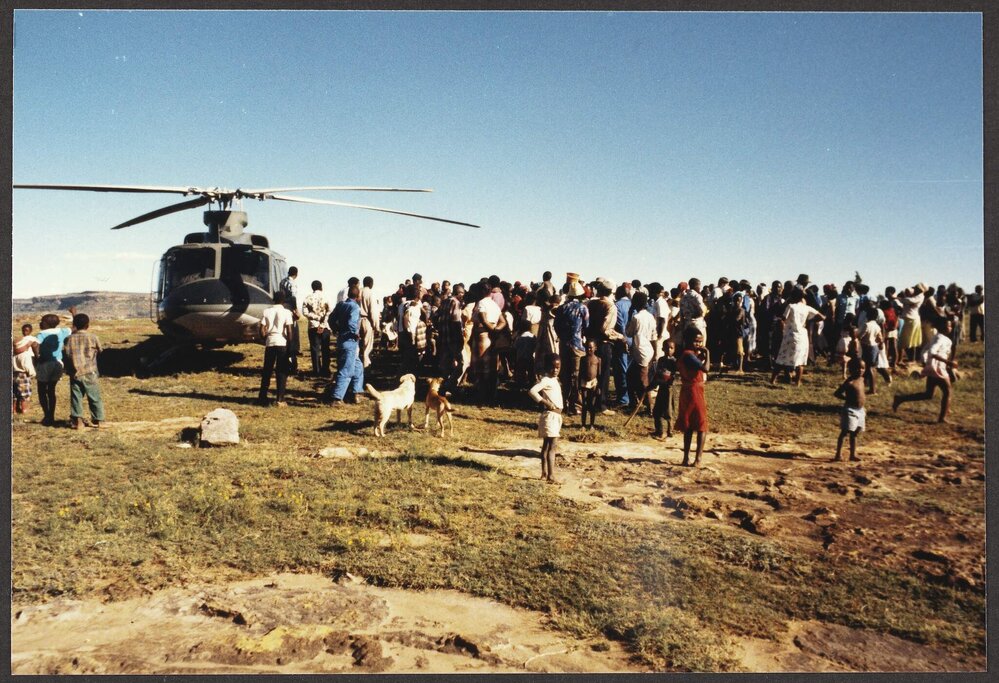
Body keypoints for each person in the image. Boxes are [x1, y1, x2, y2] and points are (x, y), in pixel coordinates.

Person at [893, 318, 956, 423]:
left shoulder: (938, 338)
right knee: (947, 392)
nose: (950, 328)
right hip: (937, 369)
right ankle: (942, 418)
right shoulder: (940, 338)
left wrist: (926, 362)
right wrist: (947, 362)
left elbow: (925, 350)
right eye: (948, 325)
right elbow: (931, 351)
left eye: (950, 326)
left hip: (933, 368)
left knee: (928, 394)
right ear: (941, 327)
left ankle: (900, 399)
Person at [771, 288, 824, 386]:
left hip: (790, 335)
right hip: (802, 336)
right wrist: (808, 320)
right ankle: (797, 382)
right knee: (800, 360)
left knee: (781, 358)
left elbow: (783, 319)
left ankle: (773, 380)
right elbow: (822, 317)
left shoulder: (791, 306)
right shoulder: (807, 308)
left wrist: (782, 328)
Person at [63, 313, 106, 429]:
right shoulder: (92, 337)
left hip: (74, 372)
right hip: (90, 371)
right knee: (94, 396)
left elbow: (66, 354)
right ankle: (99, 420)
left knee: (76, 397)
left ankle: (78, 421)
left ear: (74, 325)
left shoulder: (68, 339)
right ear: (87, 325)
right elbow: (100, 350)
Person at [675, 326, 709, 467]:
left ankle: (686, 458)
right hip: (694, 390)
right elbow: (706, 368)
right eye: (696, 341)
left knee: (688, 425)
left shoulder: (687, 354)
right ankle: (698, 459)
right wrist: (708, 353)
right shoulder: (689, 355)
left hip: (687, 390)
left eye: (700, 342)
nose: (699, 344)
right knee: (701, 425)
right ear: (688, 341)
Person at [528, 353, 563, 483]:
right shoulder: (546, 380)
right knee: (552, 447)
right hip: (550, 416)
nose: (555, 370)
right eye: (553, 367)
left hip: (555, 417)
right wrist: (545, 402)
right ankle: (550, 476)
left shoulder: (554, 380)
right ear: (547, 367)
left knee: (546, 446)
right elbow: (532, 391)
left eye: (558, 367)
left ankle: (544, 473)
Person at [328, 285, 365, 404]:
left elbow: (331, 318)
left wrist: (336, 329)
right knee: (346, 369)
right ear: (358, 296)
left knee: (358, 366)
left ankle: (356, 392)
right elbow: (352, 322)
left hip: (342, 339)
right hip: (350, 341)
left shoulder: (341, 305)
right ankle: (337, 398)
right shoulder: (355, 307)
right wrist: (355, 333)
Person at [35, 313, 73, 426]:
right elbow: (75, 326)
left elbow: (36, 347)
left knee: (41, 390)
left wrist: (37, 357)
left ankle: (47, 415)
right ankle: (51, 415)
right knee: (51, 391)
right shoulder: (62, 331)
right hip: (57, 364)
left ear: (46, 324)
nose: (40, 323)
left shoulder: (41, 334)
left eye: (42, 321)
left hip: (45, 363)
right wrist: (73, 314)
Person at [258, 291, 294, 406]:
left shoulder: (267, 311)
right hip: (281, 342)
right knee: (281, 371)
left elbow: (262, 329)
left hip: (270, 342)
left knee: (267, 370)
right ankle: (280, 398)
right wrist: (290, 345)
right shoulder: (286, 312)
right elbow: (289, 331)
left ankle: (262, 396)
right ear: (283, 300)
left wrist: (265, 338)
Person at [834, 357, 866, 462]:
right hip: (850, 410)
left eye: (863, 368)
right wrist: (847, 398)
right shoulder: (849, 382)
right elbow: (837, 393)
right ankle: (838, 454)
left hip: (860, 410)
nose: (861, 370)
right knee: (845, 432)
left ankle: (852, 454)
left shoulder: (861, 379)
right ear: (851, 369)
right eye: (858, 368)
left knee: (855, 433)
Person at [302, 280, 332, 377]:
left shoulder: (308, 298)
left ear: (312, 288)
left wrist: (315, 317)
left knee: (315, 349)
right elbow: (329, 311)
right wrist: (322, 323)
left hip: (313, 326)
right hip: (325, 326)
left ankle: (316, 371)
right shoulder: (326, 297)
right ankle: (325, 370)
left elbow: (305, 313)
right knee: (325, 349)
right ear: (321, 287)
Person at [651, 340, 678, 439]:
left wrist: (663, 377)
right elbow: (658, 374)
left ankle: (670, 431)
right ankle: (659, 431)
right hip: (661, 388)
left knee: (668, 411)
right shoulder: (661, 360)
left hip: (668, 388)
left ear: (674, 349)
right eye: (667, 348)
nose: (669, 350)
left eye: (671, 348)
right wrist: (652, 385)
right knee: (657, 411)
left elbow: (670, 375)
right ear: (663, 349)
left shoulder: (674, 361)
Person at [12, 323, 38, 415]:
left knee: (14, 392)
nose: (24, 332)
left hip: (14, 373)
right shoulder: (26, 354)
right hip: (23, 374)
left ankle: (13, 409)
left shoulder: (14, 355)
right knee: (25, 393)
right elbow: (27, 365)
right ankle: (24, 409)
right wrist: (32, 373)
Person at [279, 266, 301, 373]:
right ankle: (292, 362)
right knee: (292, 336)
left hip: (283, 307)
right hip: (290, 310)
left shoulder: (282, 282)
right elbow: (293, 297)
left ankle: (285, 360)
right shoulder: (293, 283)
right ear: (296, 274)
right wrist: (295, 310)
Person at [579, 340, 602, 429]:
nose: (589, 349)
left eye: (591, 347)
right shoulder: (583, 359)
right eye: (587, 347)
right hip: (584, 382)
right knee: (584, 404)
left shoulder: (598, 359)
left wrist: (599, 387)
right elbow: (580, 372)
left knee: (592, 404)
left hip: (594, 383)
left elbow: (599, 374)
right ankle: (583, 425)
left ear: (595, 348)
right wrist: (578, 385)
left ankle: (592, 424)